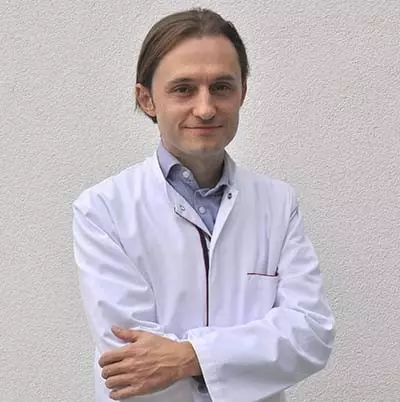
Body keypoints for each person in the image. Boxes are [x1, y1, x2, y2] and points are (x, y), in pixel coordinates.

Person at [72, 8, 335, 402]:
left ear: (242, 93)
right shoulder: (103, 210)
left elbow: (311, 334)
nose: (206, 107)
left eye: (221, 87)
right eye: (183, 89)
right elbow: (131, 359)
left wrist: (189, 357)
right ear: (147, 99)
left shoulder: (278, 205)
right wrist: (252, 350)